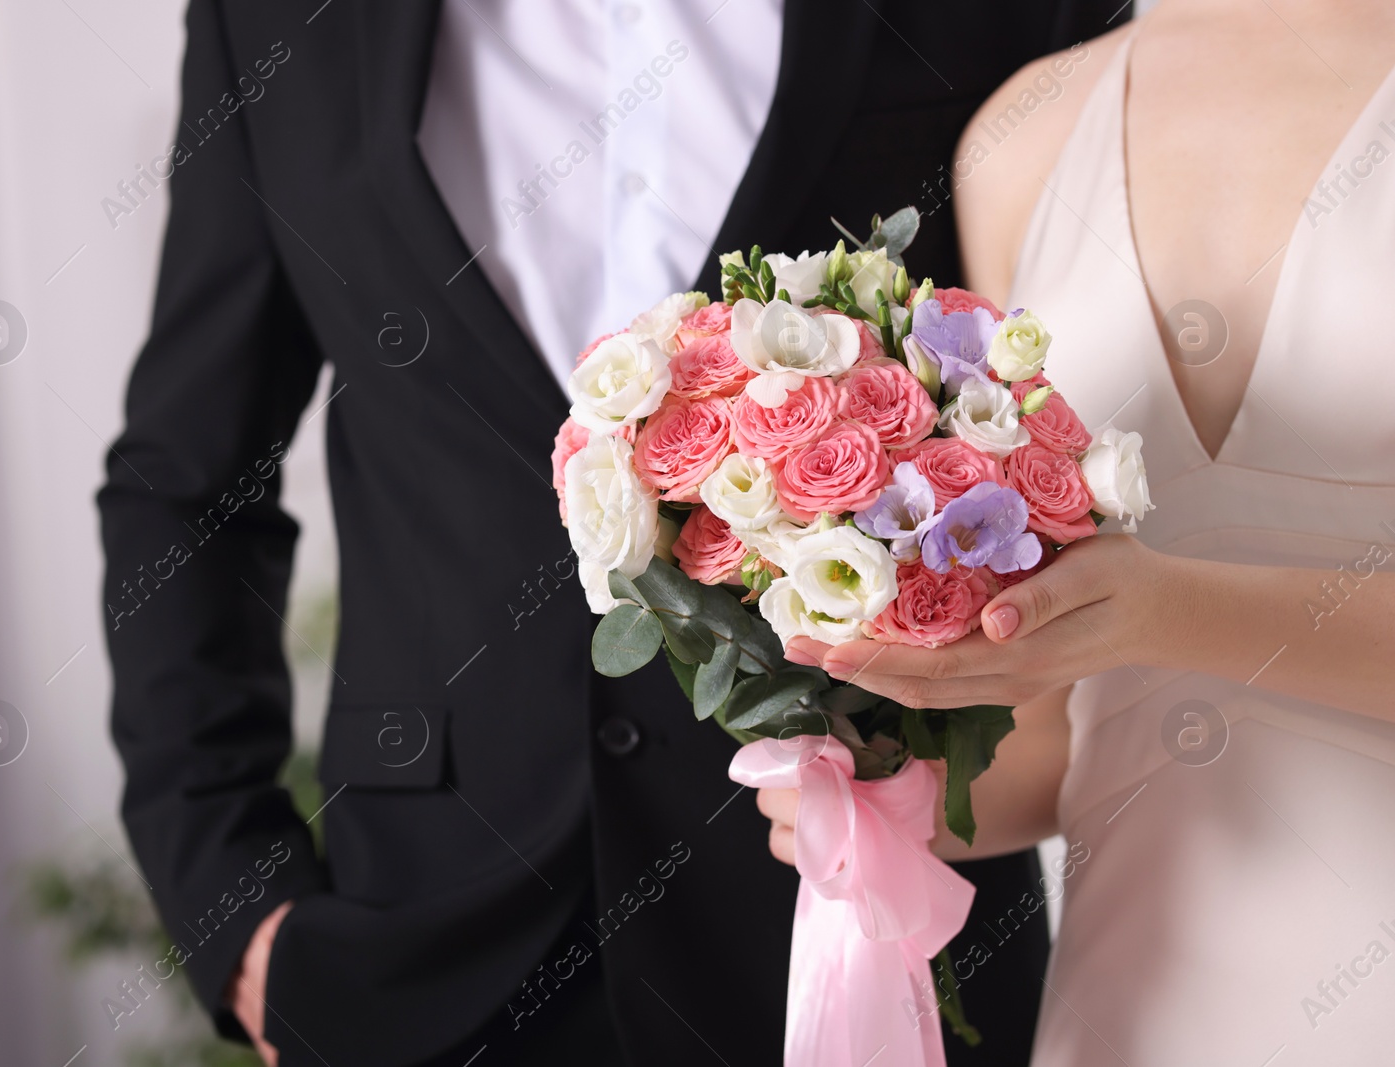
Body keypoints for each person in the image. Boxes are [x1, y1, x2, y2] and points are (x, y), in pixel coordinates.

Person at [98, 1, 1124, 1064]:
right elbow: (186, 481)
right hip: (420, 946)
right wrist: (231, 904)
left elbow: (1083, 406)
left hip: (853, 940)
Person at [757, 0, 1395, 1061]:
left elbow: (1137, 625)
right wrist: (896, 798)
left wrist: (1166, 611)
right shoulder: (1030, 129)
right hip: (1142, 995)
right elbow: (1065, 737)